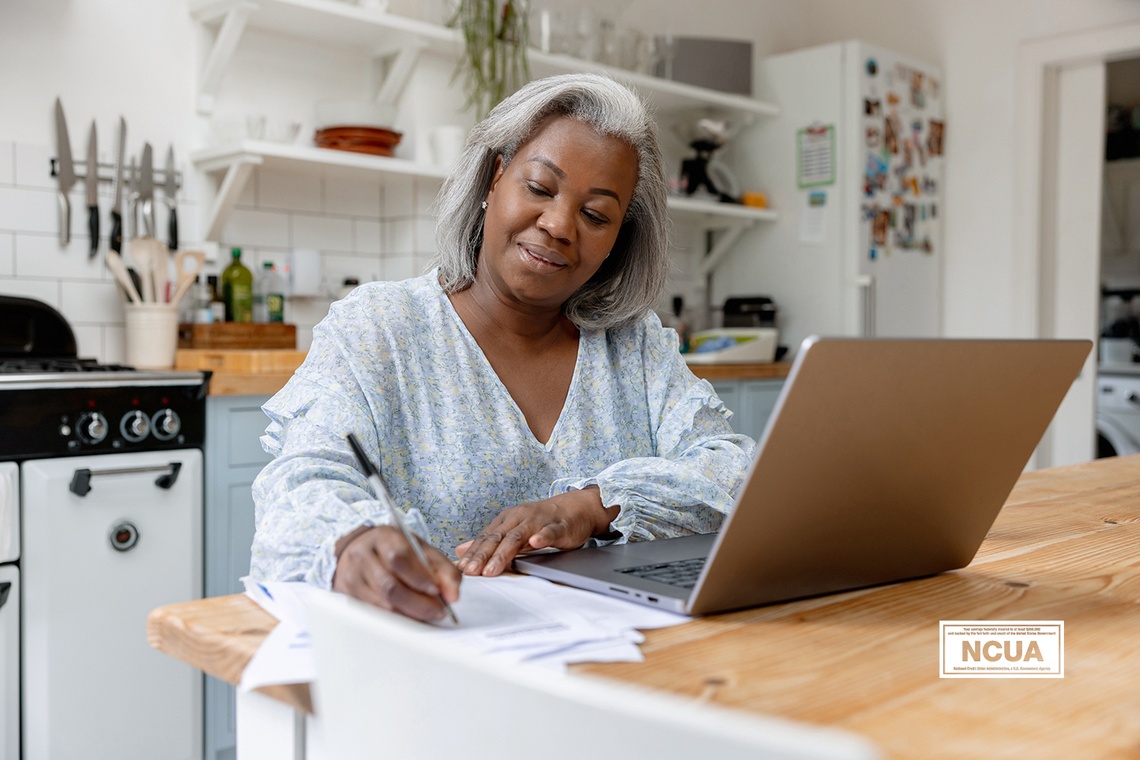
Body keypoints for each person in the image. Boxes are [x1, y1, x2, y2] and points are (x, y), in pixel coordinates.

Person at [250, 73, 755, 623]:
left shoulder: (634, 347)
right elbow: (299, 486)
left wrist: (594, 505)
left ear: (618, 241)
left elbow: (734, 473)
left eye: (595, 215)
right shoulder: (380, 328)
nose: (559, 225)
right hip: (438, 662)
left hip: (616, 670)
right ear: (494, 180)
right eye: (540, 187)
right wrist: (351, 546)